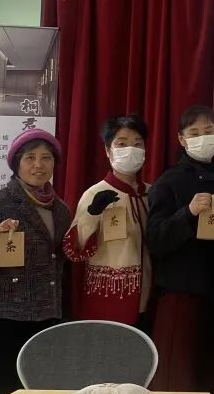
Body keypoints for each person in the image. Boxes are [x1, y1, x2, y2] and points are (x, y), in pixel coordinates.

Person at [146, 105, 214, 394]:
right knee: (176, 382)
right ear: (181, 140)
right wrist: (187, 213)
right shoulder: (169, 181)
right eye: (194, 133)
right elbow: (155, 240)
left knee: (213, 383)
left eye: (209, 131)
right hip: (181, 295)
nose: (203, 138)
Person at [0, 128, 70, 394]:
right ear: (16, 164)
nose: (38, 165)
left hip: (45, 318)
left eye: (46, 158)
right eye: (30, 157)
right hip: (1, 319)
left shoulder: (61, 209)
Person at [64, 114, 153, 327]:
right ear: (107, 150)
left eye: (137, 144)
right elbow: (75, 249)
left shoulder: (151, 194)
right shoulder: (94, 194)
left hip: (148, 294)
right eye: (121, 144)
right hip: (108, 296)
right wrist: (93, 213)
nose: (130, 149)